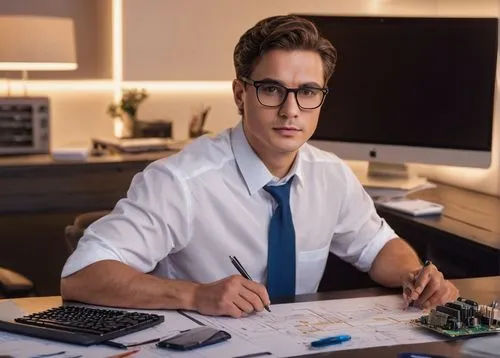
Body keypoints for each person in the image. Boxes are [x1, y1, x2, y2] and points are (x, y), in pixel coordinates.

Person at [61, 15, 459, 318]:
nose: (291, 110)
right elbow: (81, 275)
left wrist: (415, 276)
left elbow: (377, 248)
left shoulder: (332, 175)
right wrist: (194, 294)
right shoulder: (179, 181)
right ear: (240, 94)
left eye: (307, 92)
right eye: (271, 89)